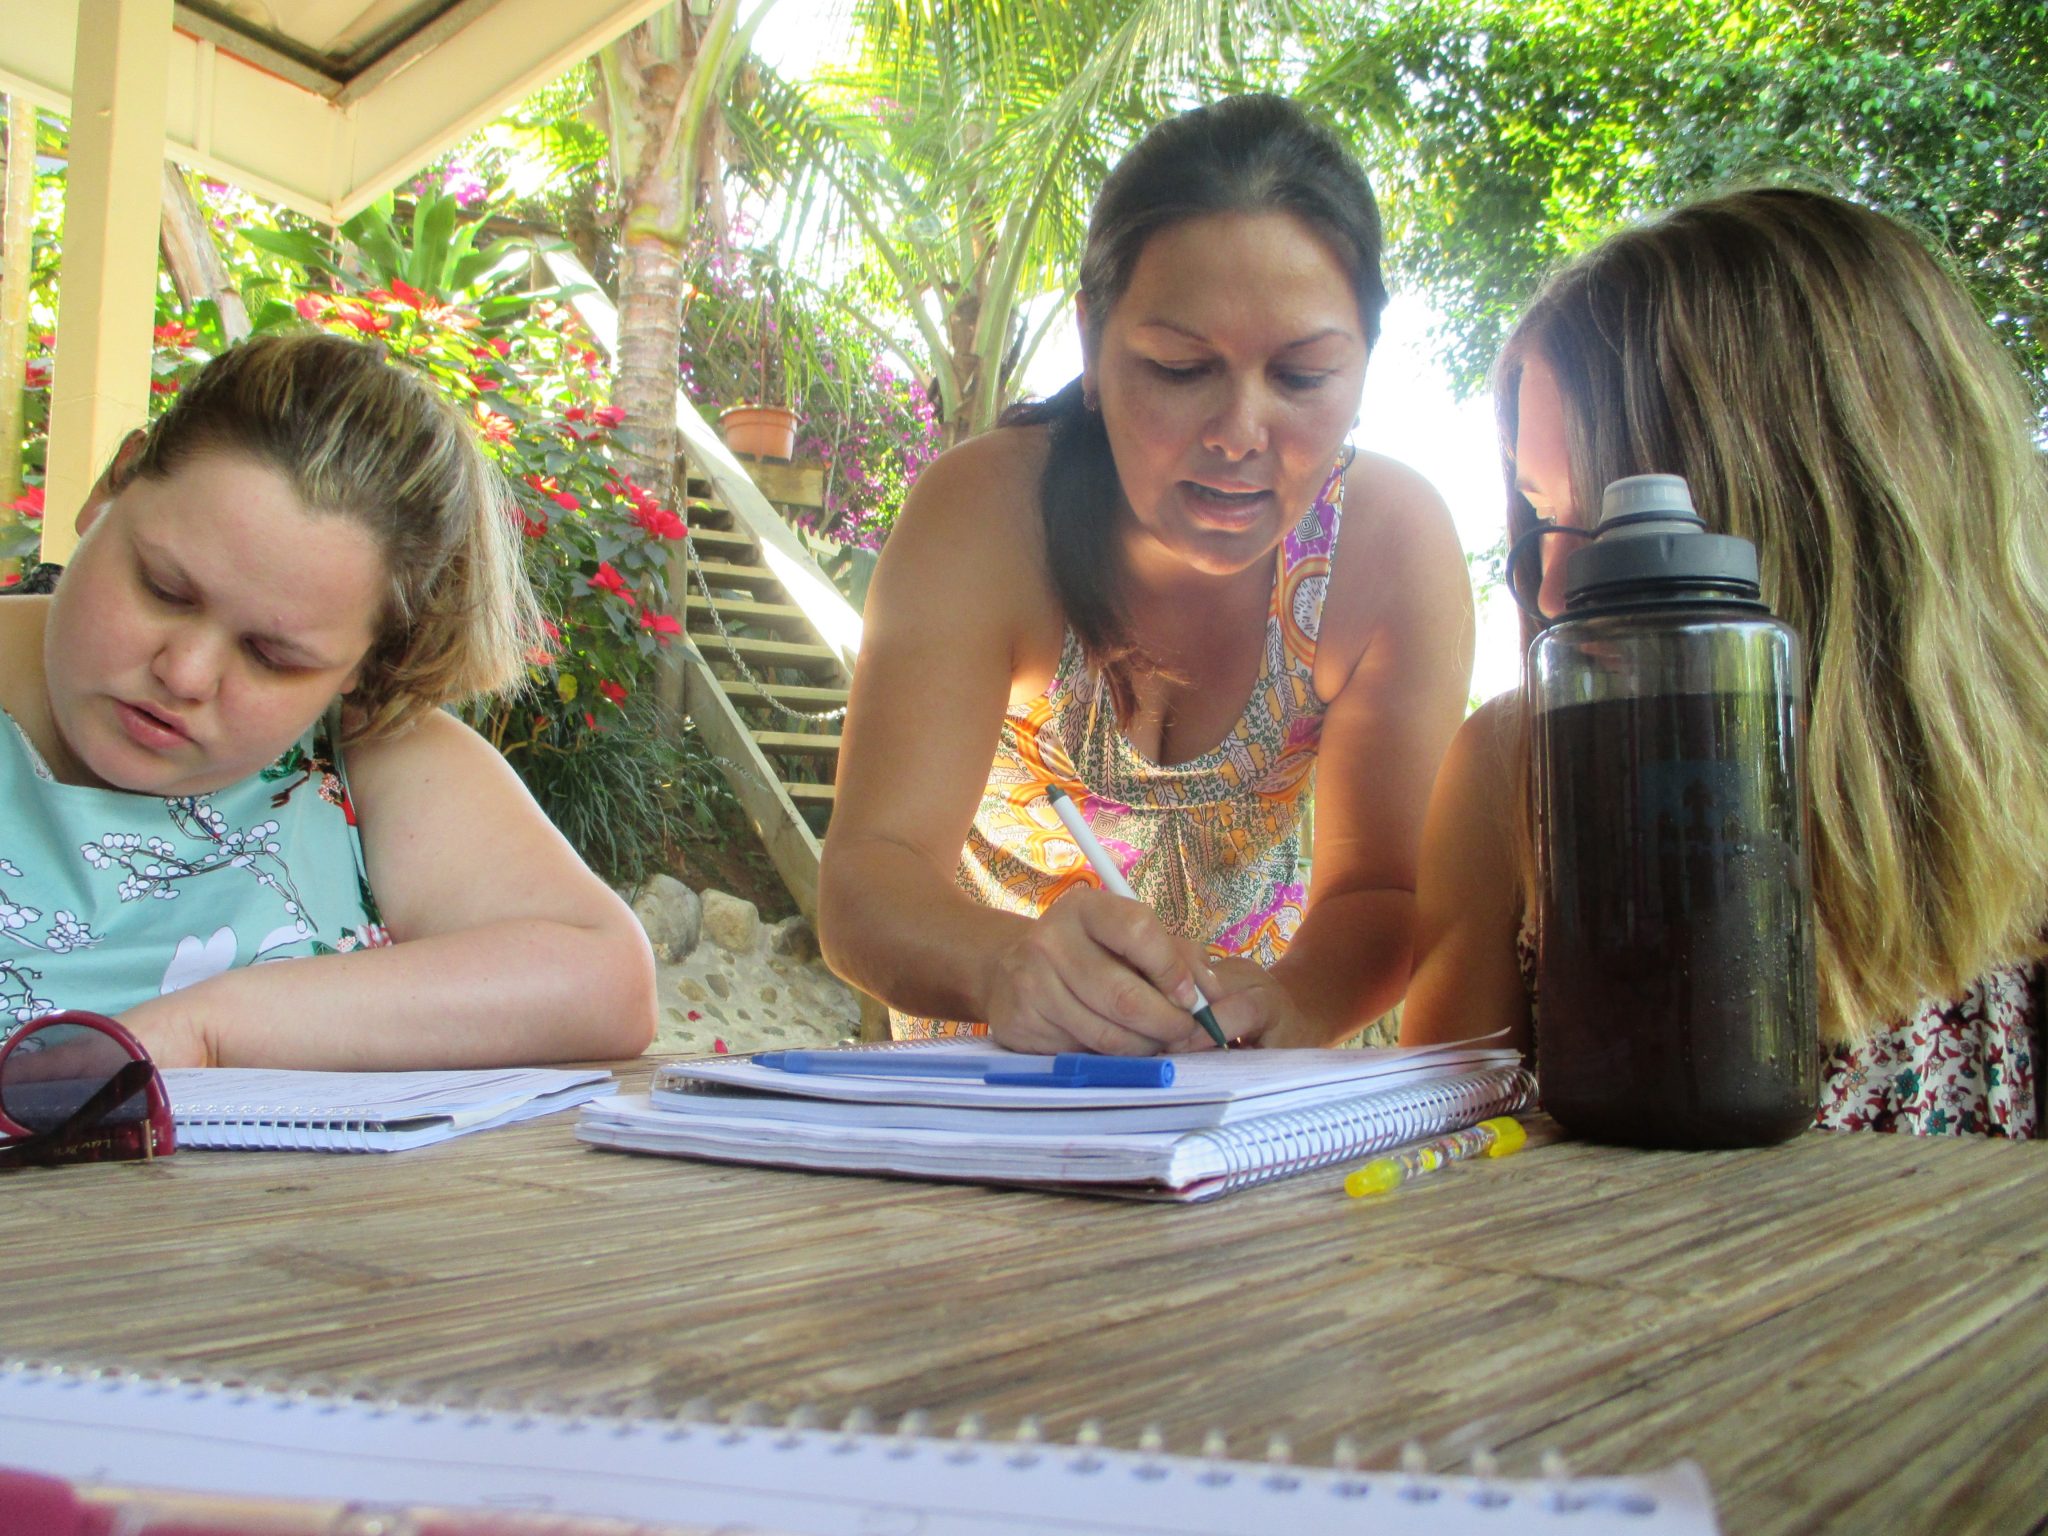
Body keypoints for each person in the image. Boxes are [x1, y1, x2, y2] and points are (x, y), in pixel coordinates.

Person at [818, 94, 1474, 1052]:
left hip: (1259, 1110)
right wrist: (1006, 964)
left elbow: (1385, 887)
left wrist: (1292, 1006)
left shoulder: (1388, 545)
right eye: (1177, 368)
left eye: (1301, 377)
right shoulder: (988, 518)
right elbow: (870, 875)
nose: (1240, 434)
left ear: (1366, 361)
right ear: (1091, 343)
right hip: (991, 1111)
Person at [1402, 187, 2048, 1135]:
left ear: (1813, 525)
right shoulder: (1512, 774)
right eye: (1539, 516)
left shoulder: (2019, 805)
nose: (1547, 589)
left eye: (1606, 528)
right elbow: (1441, 1154)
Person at [0, 331, 658, 1067]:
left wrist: (204, 1030)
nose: (185, 673)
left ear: (362, 662)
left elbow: (605, 980)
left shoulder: (359, 756)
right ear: (112, 486)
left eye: (272, 656)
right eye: (164, 589)